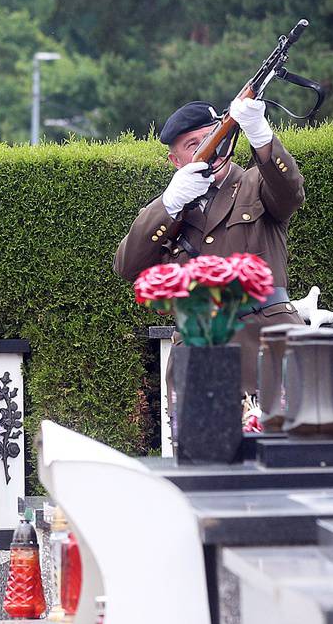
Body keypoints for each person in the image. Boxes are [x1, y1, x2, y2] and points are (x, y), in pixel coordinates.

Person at [115, 96, 306, 401]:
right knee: (200, 447)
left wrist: (261, 136)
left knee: (288, 446)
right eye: (194, 145)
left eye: (212, 137)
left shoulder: (256, 183)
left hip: (268, 344)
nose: (210, 150)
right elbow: (127, 266)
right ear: (175, 162)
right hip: (197, 355)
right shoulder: (170, 210)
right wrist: (170, 204)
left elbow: (291, 192)